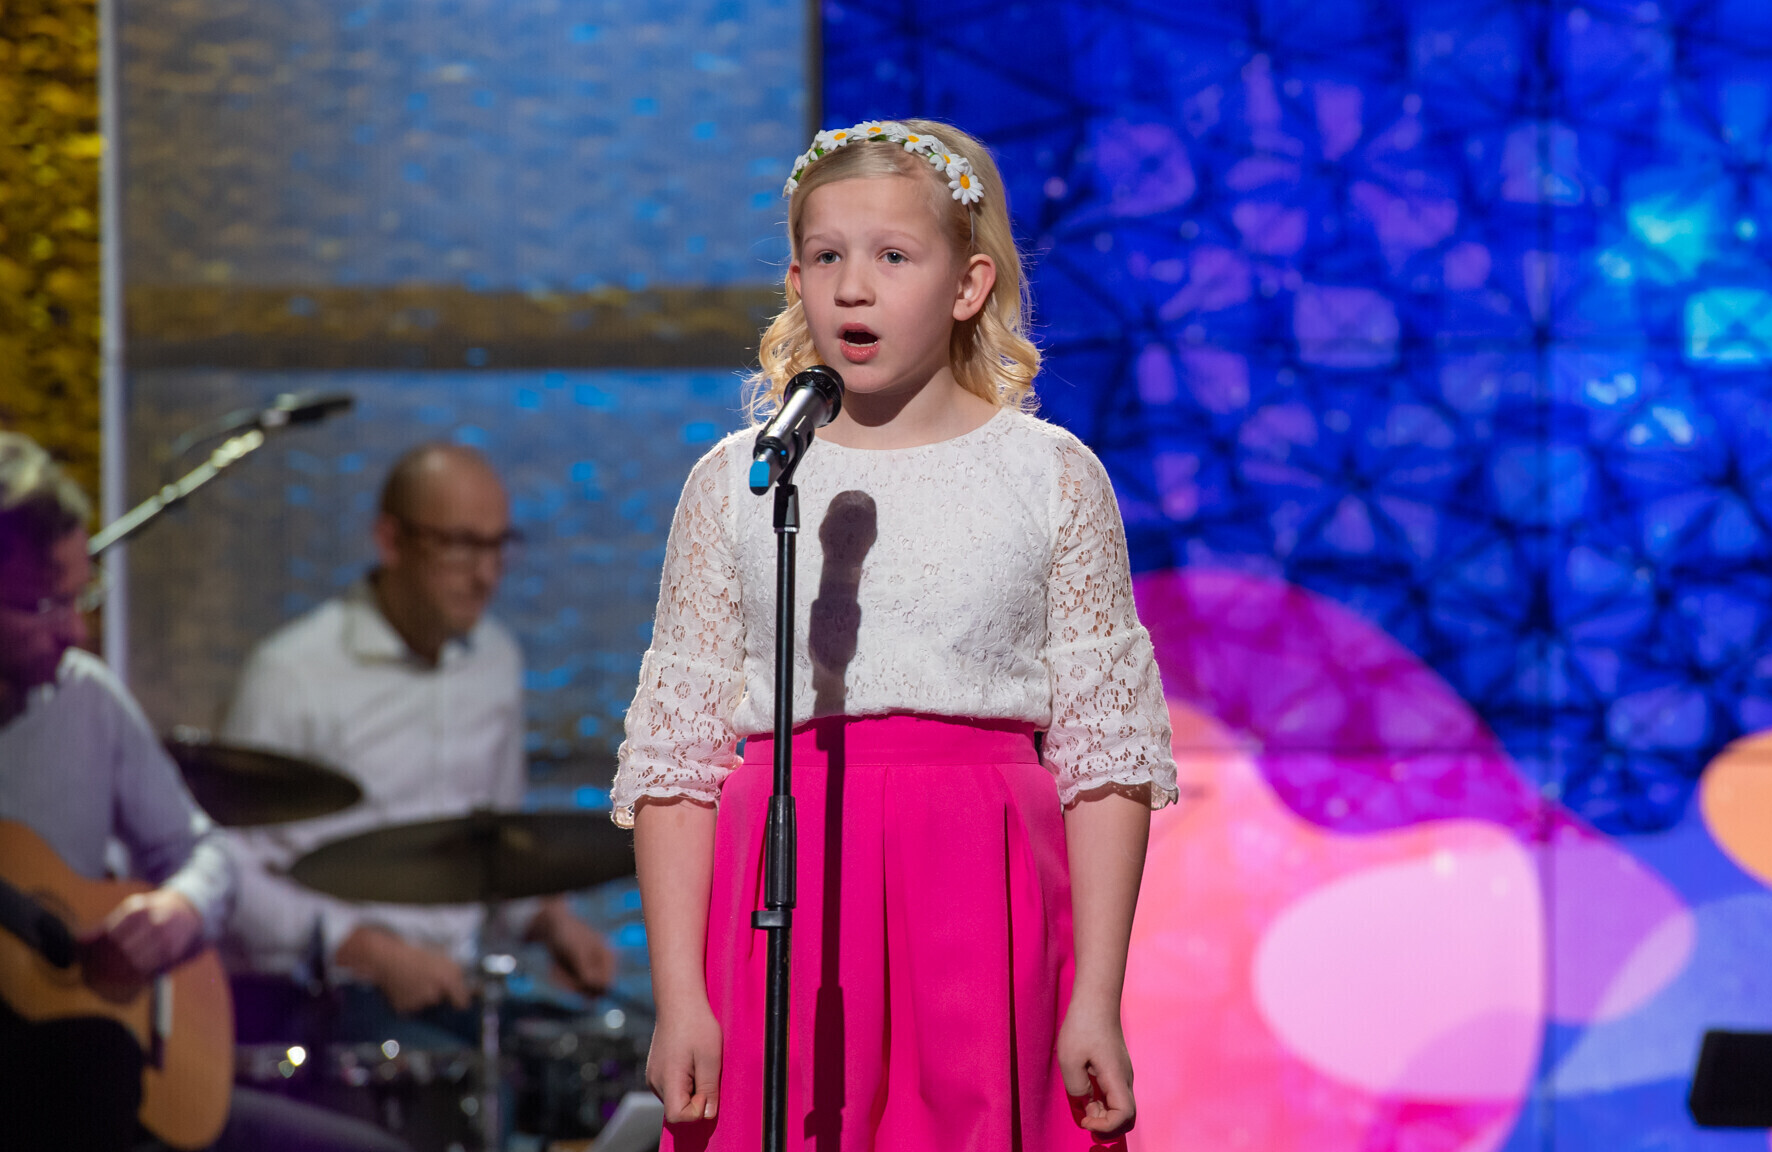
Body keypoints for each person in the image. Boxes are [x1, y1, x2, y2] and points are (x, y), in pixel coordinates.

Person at [613, 119, 1177, 1151]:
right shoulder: (741, 482)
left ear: (967, 285)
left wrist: (1096, 997)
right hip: (785, 889)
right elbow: (676, 762)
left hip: (982, 889)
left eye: (892, 257)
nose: (854, 289)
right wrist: (679, 997)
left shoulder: (1048, 476)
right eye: (826, 257)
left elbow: (1105, 759)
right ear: (795, 281)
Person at [0, 431, 405, 1152]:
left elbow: (204, 852)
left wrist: (178, 912)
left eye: (80, 596)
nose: (75, 631)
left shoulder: (85, 698)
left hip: (131, 1078)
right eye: (43, 605)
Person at [220, 442, 614, 1048]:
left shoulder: (496, 659)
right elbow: (228, 869)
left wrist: (552, 921)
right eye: (460, 546)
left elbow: (492, 847)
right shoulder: (292, 674)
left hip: (454, 987)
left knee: (599, 1057)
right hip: (330, 994)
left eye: (498, 546)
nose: (486, 575)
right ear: (391, 541)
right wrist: (367, 950)